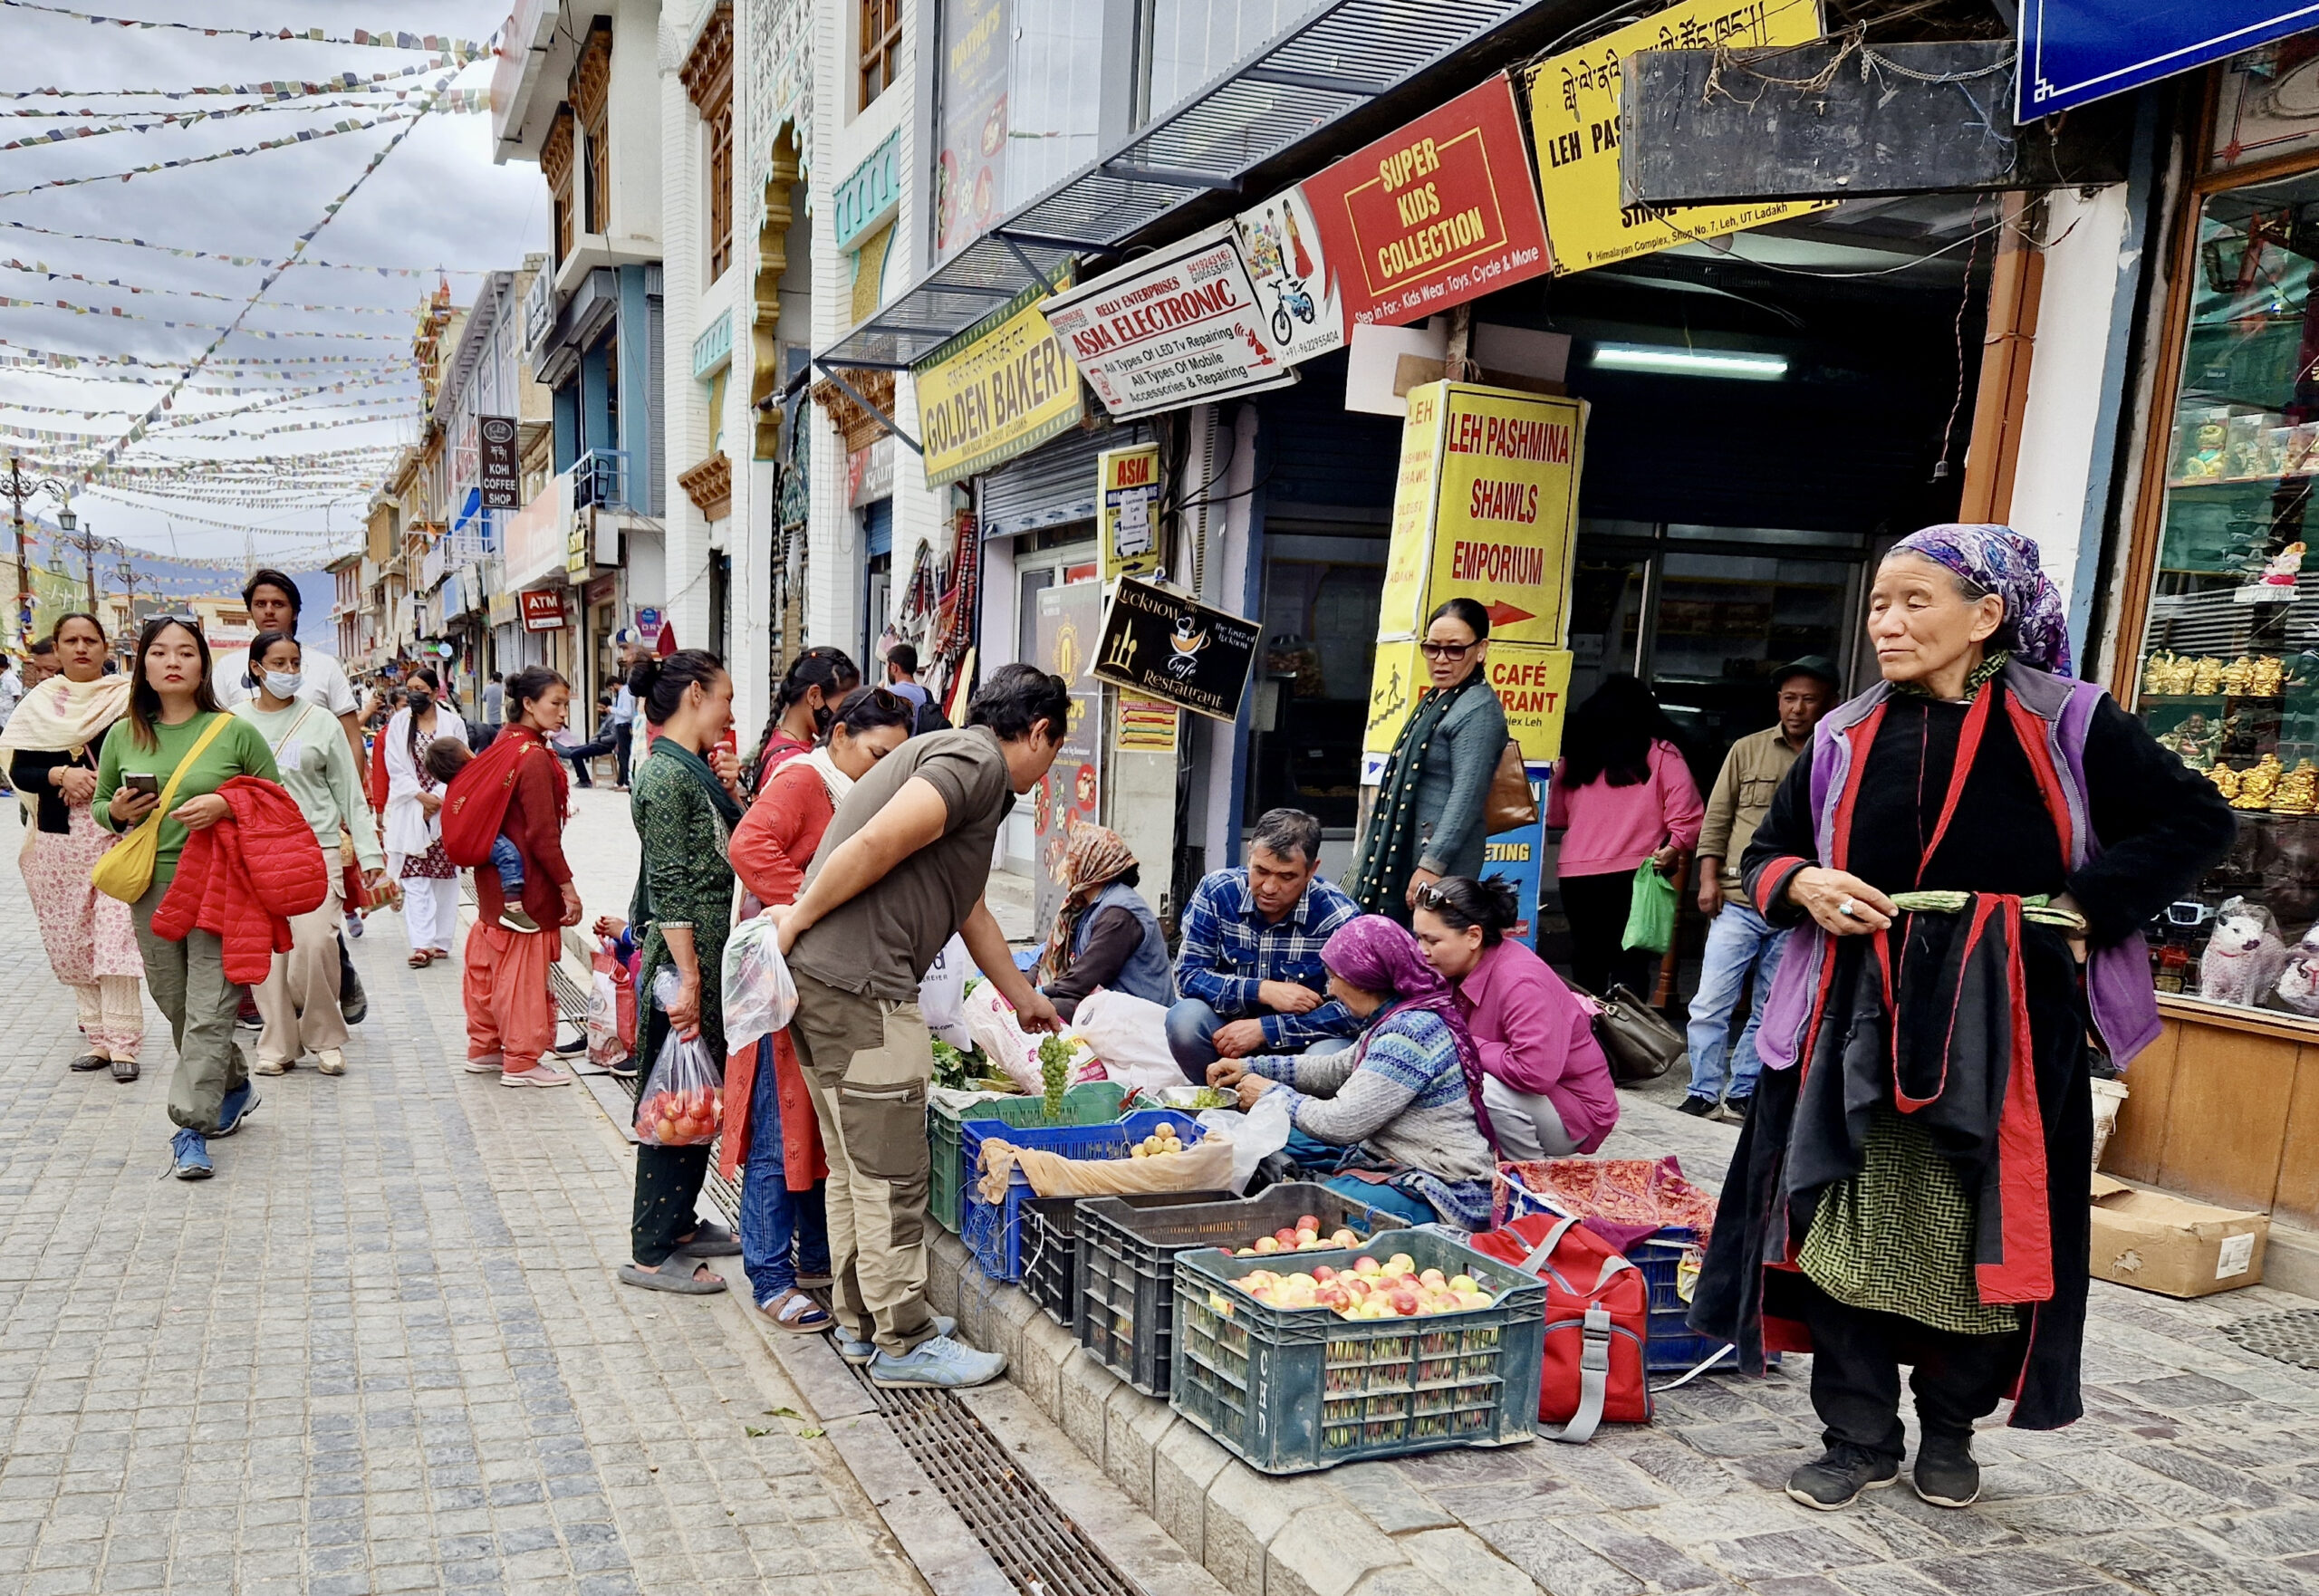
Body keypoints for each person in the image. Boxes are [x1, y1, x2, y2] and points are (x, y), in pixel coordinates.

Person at [1691, 525, 2235, 1515]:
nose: (1887, 624)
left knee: (1986, 1233)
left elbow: (2196, 818)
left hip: (2008, 1027)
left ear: (1986, 617)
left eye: (1914, 603)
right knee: (1834, 1219)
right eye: (1880, 604)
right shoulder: (1845, 733)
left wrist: (2088, 904)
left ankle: (1951, 1426)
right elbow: (1765, 858)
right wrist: (1804, 882)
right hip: (1852, 1018)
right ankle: (1855, 1434)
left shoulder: (2068, 719)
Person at [768, 663, 1072, 1388]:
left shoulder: (965, 770)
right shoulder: (973, 763)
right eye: (1055, 748)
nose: (1052, 765)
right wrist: (797, 919)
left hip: (832, 982)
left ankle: (863, 1322)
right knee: (891, 1174)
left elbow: (969, 908)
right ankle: (904, 1343)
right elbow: (876, 847)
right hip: (863, 989)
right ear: (1037, 733)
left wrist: (1021, 994)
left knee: (855, 1168)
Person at [726, 684, 916, 1332]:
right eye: (874, 752)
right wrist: (809, 911)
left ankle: (810, 1266)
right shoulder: (806, 780)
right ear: (837, 737)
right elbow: (749, 846)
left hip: (817, 981)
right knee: (778, 1135)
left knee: (815, 1132)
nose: (882, 768)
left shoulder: (853, 787)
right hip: (786, 981)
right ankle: (769, 1276)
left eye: (895, 758)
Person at [93, 616, 283, 1180]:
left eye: (185, 652)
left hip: (222, 888)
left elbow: (274, 801)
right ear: (142, 665)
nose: (172, 662)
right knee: (175, 1004)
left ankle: (190, 1128)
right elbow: (103, 804)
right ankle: (234, 1083)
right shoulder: (123, 734)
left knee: (208, 1011)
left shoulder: (233, 731)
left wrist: (228, 806)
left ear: (202, 664)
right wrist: (118, 812)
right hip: (151, 887)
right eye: (159, 652)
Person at [1209, 914, 1497, 1229]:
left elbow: (1340, 1123)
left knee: (1312, 1212)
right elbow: (1336, 1068)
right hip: (1386, 1155)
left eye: (1334, 977)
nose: (1330, 990)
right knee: (1275, 1140)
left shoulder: (1410, 1034)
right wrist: (1251, 1066)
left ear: (1365, 978)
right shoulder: (1394, 1017)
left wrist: (1270, 1093)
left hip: (1440, 1184)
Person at [619, 650, 750, 1293]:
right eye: (725, 698)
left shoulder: (687, 769)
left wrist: (731, 791)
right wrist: (691, 980)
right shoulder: (666, 778)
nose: (731, 712)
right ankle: (650, 1249)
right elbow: (669, 886)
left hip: (702, 955)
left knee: (697, 1098)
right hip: (683, 962)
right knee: (673, 1102)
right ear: (696, 694)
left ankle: (680, 1223)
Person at [1683, 656, 1841, 1120]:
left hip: (1796, 908)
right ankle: (1702, 1089)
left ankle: (1744, 1089)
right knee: (1710, 1001)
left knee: (1773, 1005)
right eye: (1789, 698)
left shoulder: (1837, 753)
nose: (1797, 709)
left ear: (1830, 703)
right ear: (1777, 701)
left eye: (1809, 700)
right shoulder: (1746, 750)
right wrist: (1707, 880)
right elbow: (1717, 819)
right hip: (1736, 900)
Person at [233, 630, 386, 1077]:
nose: (289, 672)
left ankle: (323, 1035)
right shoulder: (234, 722)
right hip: (256, 854)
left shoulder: (321, 722)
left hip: (316, 848)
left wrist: (371, 854)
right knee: (270, 954)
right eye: (278, 663)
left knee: (316, 942)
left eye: (295, 663)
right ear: (256, 668)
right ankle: (277, 1043)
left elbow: (348, 790)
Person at [3, 612, 144, 1081]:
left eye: (90, 640)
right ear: (57, 650)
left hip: (115, 832)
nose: (81, 648)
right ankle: (98, 1040)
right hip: (58, 840)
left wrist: (100, 781)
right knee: (73, 938)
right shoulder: (39, 704)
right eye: (71, 641)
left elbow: (147, 757)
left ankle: (125, 1044)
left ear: (106, 648)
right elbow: (19, 771)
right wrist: (60, 775)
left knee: (114, 937)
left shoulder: (127, 699)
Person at [1410, 875, 1617, 1159]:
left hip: (1574, 1112)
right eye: (1418, 938)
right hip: (1530, 1095)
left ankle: (1528, 1179)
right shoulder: (1453, 966)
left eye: (1432, 940)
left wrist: (1463, 1043)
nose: (1422, 950)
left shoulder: (1521, 981)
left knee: (1480, 1090)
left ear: (1473, 936)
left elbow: (1534, 1074)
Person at [1166, 808, 1362, 1081]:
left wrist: (1266, 1029)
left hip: (1303, 1042)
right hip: (1227, 1035)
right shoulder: (1218, 892)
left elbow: (1353, 1012)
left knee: (1328, 1058)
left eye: (1286, 877)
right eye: (1261, 871)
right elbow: (1188, 975)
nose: (1269, 887)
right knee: (1185, 1020)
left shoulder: (1337, 916)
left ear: (1312, 870)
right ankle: (1220, 1102)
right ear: (1249, 854)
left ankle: (1296, 1117)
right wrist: (1261, 990)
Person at [1347, 597, 1509, 922]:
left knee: (1429, 955)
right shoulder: (1440, 698)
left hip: (1438, 865)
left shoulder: (1477, 709)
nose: (1441, 659)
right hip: (1410, 850)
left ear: (1481, 650)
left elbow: (1466, 796)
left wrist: (1431, 866)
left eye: (1454, 649)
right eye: (1432, 648)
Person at [461, 666, 583, 1088]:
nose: (563, 713)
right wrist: (569, 888)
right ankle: (521, 1060)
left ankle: (485, 1048)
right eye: (556, 703)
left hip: (495, 884)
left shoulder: (503, 743)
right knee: (522, 977)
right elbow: (543, 836)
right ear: (529, 704)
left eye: (566, 704)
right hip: (526, 888)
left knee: (489, 966)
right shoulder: (533, 758)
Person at [1546, 674, 1703, 998]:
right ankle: (1628, 1043)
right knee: (1630, 965)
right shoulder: (1661, 753)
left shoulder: (1576, 758)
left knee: (1586, 963)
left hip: (1576, 875)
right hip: (1635, 875)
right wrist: (1674, 847)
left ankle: (1587, 1040)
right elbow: (1688, 814)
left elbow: (1555, 816)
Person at [210, 568, 363, 768]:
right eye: (260, 604)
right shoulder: (226, 668)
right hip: (251, 793)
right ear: (250, 612)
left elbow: (352, 739)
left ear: (295, 613)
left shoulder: (325, 666)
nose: (269, 611)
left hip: (315, 793)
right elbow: (215, 738)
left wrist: (353, 795)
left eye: (278, 604)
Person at [1034, 825, 1175, 1019]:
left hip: (1139, 1020)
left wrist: (1034, 996)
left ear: (1091, 864)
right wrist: (1013, 984)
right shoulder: (1085, 905)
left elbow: (1083, 979)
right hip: (1109, 1006)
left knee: (1041, 1011)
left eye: (1072, 859)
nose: (1066, 866)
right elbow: (1051, 957)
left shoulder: (1119, 914)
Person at [380, 667, 468, 967]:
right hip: (412, 807)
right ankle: (421, 944)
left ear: (434, 693)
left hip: (446, 809)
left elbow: (462, 763)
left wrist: (439, 798)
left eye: (420, 688)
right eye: (410, 688)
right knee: (415, 877)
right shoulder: (398, 724)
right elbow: (395, 765)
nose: (414, 693)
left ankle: (441, 941)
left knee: (445, 878)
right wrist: (420, 797)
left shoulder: (453, 723)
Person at [421, 739, 540, 931]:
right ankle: (512, 906)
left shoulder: (456, 784)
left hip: (463, 844)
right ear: (463, 757)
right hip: (475, 842)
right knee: (509, 855)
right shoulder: (470, 781)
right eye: (467, 749)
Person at [744, 647, 859, 796]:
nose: (848, 716)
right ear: (814, 696)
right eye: (843, 707)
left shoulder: (786, 743)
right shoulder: (791, 764)